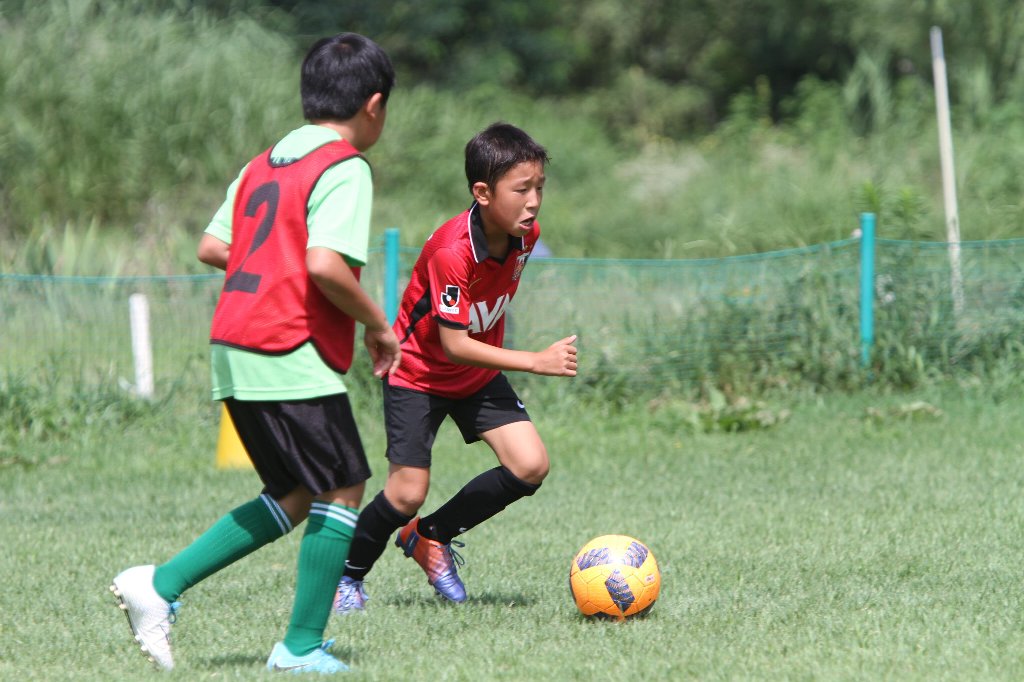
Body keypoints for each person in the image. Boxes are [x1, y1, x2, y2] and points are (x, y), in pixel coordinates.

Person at [110, 33, 400, 674]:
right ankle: (299, 648)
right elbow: (325, 264)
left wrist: (272, 266)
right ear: (374, 105)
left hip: (234, 345)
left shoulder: (265, 163)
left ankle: (158, 586)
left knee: (298, 492)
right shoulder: (344, 166)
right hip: (286, 345)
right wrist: (378, 325)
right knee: (343, 485)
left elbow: (213, 246)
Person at [333, 122, 577, 613]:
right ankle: (346, 578)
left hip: (476, 375)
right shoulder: (452, 251)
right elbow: (453, 344)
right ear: (482, 193)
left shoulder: (526, 236)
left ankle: (430, 536)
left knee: (530, 465)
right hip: (419, 373)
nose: (533, 202)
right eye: (521, 190)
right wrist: (535, 361)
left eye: (539, 188)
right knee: (406, 493)